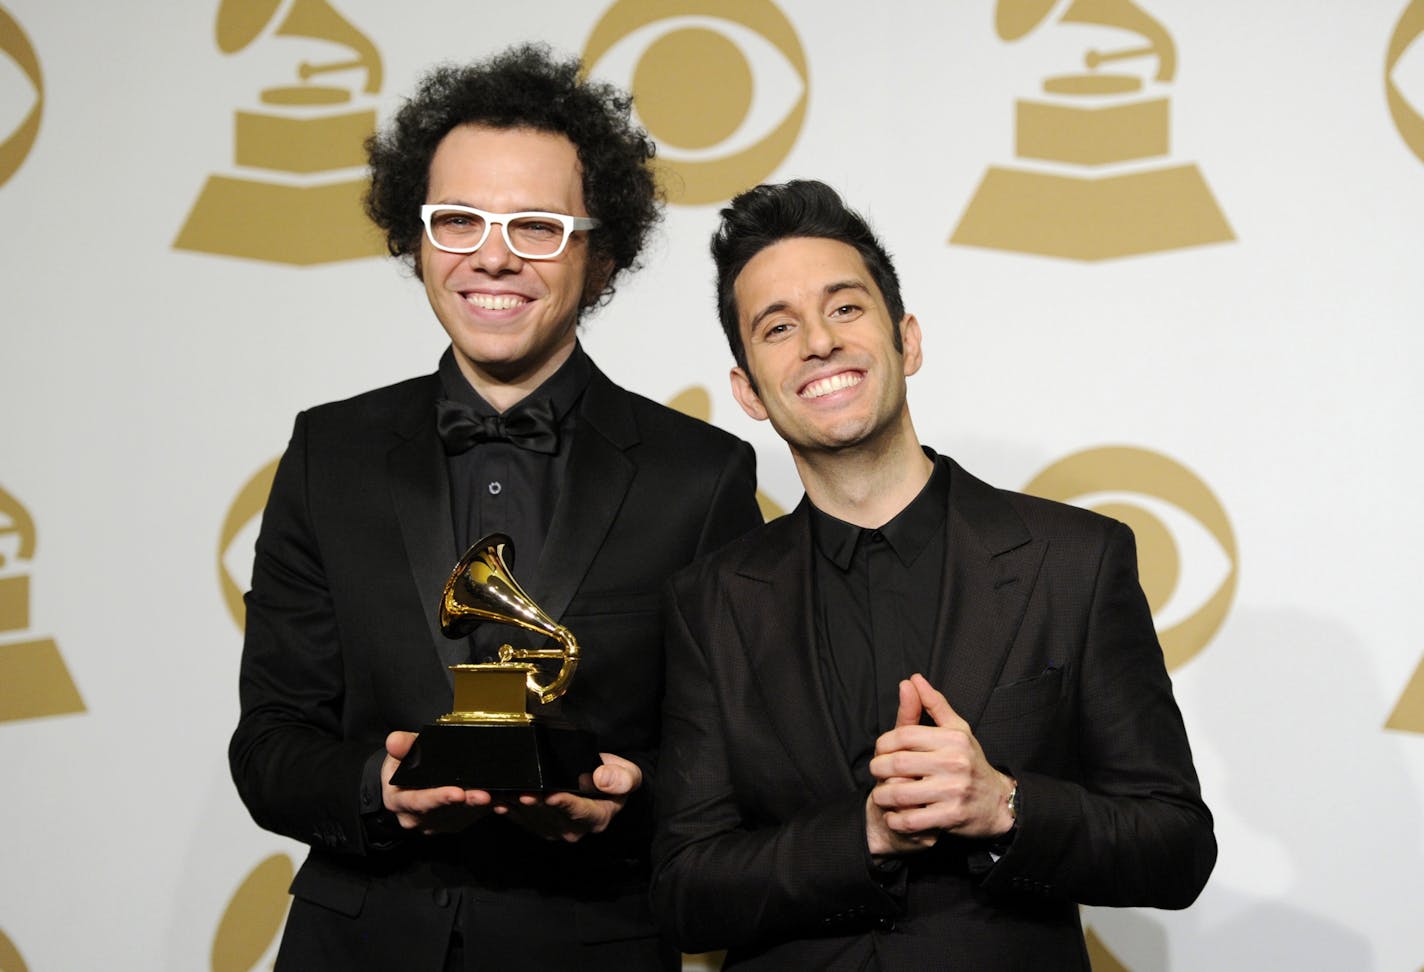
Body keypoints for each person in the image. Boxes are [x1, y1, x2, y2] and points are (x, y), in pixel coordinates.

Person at [229, 45, 761, 971]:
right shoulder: (328, 454)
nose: (493, 256)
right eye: (459, 220)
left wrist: (630, 800)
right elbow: (271, 744)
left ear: (600, 254)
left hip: (590, 944)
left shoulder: (700, 475)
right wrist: (375, 788)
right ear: (416, 235)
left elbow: (739, 760)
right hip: (356, 946)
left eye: (538, 227)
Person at [649, 179, 1215, 969]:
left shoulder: (1075, 561)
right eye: (778, 327)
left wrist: (1004, 806)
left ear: (907, 340)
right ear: (747, 389)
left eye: (845, 308)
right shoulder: (709, 602)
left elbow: (1176, 847)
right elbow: (683, 890)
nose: (818, 342)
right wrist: (866, 835)